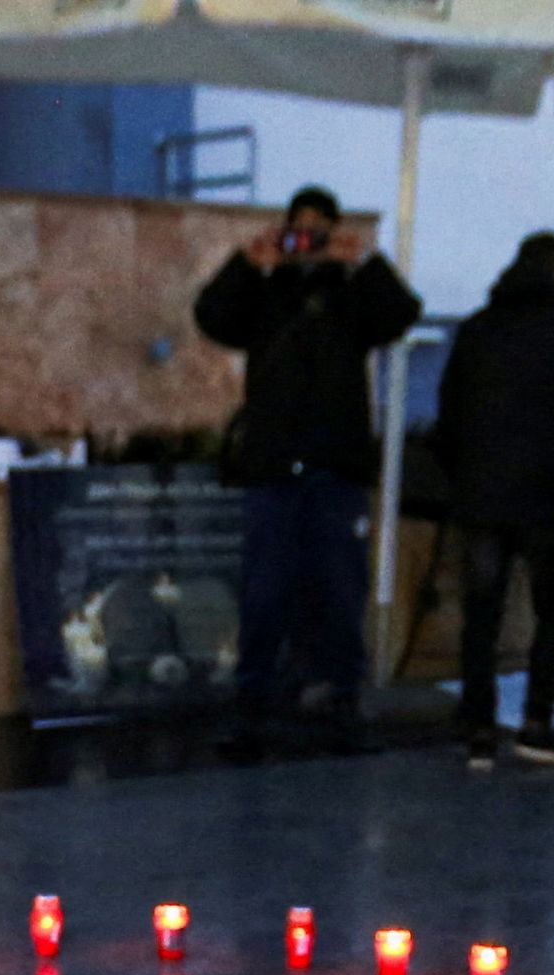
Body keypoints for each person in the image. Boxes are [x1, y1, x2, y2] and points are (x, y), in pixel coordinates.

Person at [195, 187, 421, 758]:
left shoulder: (353, 298)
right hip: (273, 470)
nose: (308, 241)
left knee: (341, 589)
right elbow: (212, 316)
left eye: (319, 231)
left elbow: (402, 314)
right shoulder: (267, 294)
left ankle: (343, 696)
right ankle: (252, 703)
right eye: (300, 229)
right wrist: (249, 263)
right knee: (264, 591)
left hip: (335, 469)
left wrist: (362, 262)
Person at [431, 230, 554, 771]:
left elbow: (446, 422)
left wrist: (467, 477)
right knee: (552, 615)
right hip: (549, 501)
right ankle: (537, 723)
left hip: (482, 498)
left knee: (482, 615)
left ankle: (478, 725)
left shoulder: (476, 330)